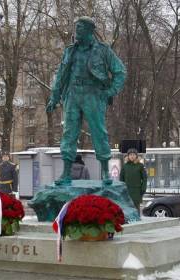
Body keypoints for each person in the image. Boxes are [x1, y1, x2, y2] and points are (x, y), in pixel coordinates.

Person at [46, 16, 126, 186]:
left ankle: (105, 171)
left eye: (80, 28)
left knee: (98, 132)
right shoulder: (70, 51)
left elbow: (120, 72)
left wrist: (110, 91)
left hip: (93, 94)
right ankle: (66, 173)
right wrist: (54, 97)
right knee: (69, 133)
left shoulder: (103, 50)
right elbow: (61, 75)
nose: (76, 31)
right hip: (73, 94)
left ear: (90, 31)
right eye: (76, 28)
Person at [120, 148, 147, 213]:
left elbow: (144, 178)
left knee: (136, 207)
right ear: (128, 156)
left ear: (136, 156)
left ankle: (137, 221)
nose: (132, 156)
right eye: (130, 154)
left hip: (137, 191)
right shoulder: (125, 166)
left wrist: (143, 188)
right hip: (127, 190)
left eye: (133, 154)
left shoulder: (140, 166)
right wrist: (122, 188)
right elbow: (121, 179)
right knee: (127, 207)